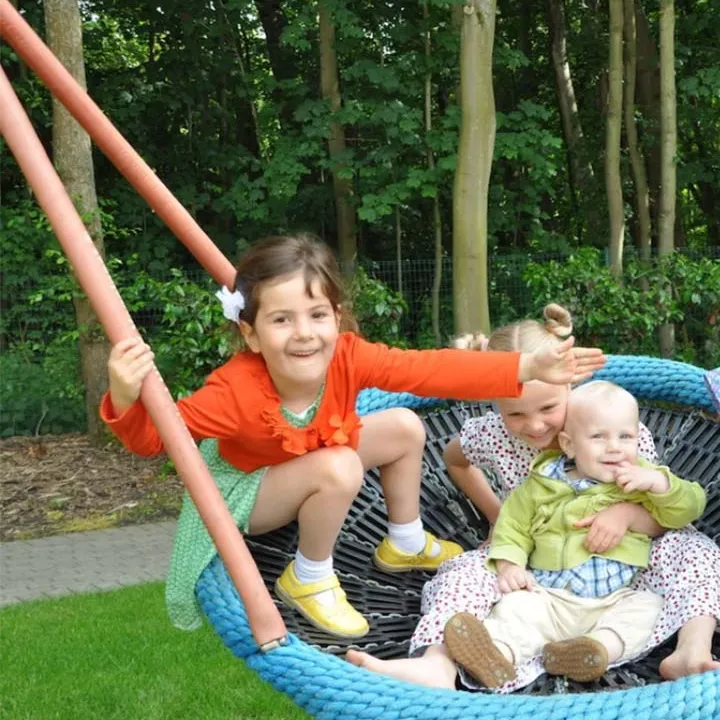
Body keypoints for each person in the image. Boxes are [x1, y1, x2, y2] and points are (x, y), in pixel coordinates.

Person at [100, 236, 606, 640]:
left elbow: (430, 370)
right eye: (281, 320)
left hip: (315, 459)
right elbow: (153, 440)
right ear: (252, 335)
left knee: (406, 426)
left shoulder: (347, 354)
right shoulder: (232, 392)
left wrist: (525, 365)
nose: (304, 333)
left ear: (336, 319)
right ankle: (310, 576)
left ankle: (404, 541)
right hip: (249, 492)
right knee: (340, 464)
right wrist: (125, 397)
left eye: (317, 315)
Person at [347, 305, 720, 689]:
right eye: (516, 414)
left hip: (627, 562)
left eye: (548, 408)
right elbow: (454, 460)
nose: (535, 425)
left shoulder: (610, 427)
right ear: (494, 401)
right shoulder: (491, 434)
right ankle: (439, 663)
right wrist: (496, 514)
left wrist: (625, 515)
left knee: (697, 550)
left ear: (568, 386)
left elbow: (662, 510)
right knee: (462, 572)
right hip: (534, 563)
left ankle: (691, 651)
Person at [441, 380, 706, 688]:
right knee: (516, 610)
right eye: (598, 437)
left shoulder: (642, 479)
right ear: (568, 444)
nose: (614, 447)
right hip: (549, 596)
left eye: (626, 437)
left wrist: (660, 484)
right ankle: (496, 656)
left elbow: (688, 507)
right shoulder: (541, 484)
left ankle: (595, 650)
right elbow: (511, 526)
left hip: (616, 598)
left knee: (648, 609)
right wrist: (510, 564)